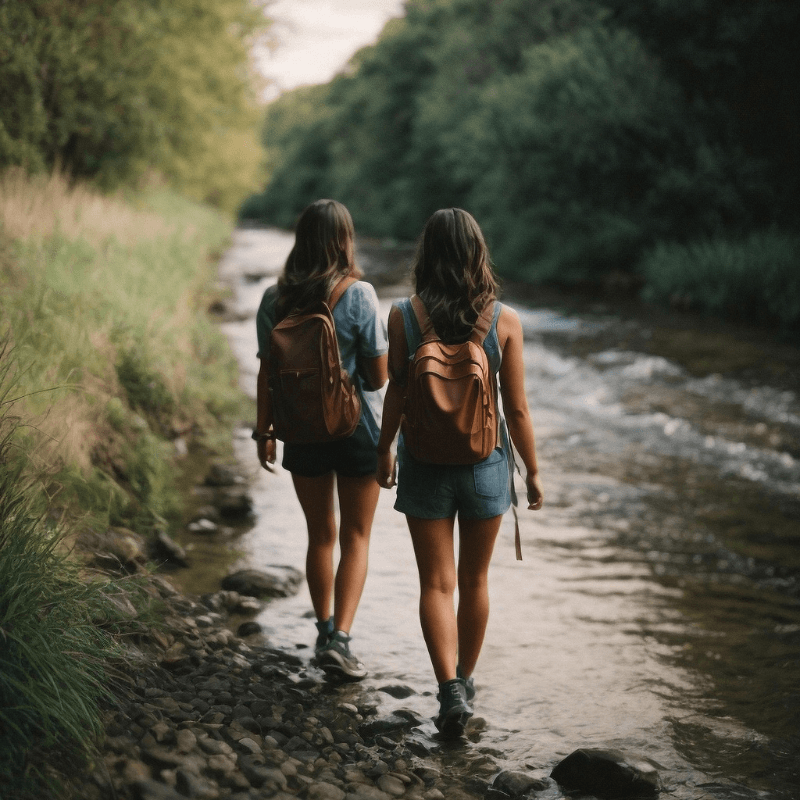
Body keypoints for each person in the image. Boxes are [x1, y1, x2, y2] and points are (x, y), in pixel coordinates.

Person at [376, 207, 544, 735]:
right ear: (478, 254)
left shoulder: (403, 316)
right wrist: (533, 472)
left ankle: (448, 688)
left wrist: (384, 450)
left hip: (424, 462)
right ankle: (465, 681)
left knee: (436, 583)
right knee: (474, 581)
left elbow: (397, 392)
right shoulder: (504, 320)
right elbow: (517, 409)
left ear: (426, 255)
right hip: (485, 464)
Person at [254, 199, 388, 680]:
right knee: (356, 536)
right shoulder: (359, 295)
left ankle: (323, 628)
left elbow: (267, 374)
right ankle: (341, 641)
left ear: (301, 240)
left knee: (320, 535)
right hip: (355, 429)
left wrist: (264, 431)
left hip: (301, 431)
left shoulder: (274, 299)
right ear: (344, 241)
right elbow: (377, 378)